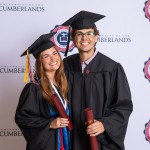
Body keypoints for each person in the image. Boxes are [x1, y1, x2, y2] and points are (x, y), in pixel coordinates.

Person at [62, 10, 133, 150]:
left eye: (89, 33)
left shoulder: (112, 68)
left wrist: (104, 124)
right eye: (79, 34)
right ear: (73, 38)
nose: (84, 38)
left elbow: (123, 106)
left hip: (99, 142)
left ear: (96, 37)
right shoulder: (65, 66)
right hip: (72, 140)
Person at [15, 33, 71, 150]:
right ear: (40, 62)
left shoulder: (64, 84)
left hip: (67, 142)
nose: (53, 59)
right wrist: (50, 124)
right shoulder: (33, 88)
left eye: (55, 53)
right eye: (46, 56)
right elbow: (22, 118)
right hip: (48, 144)